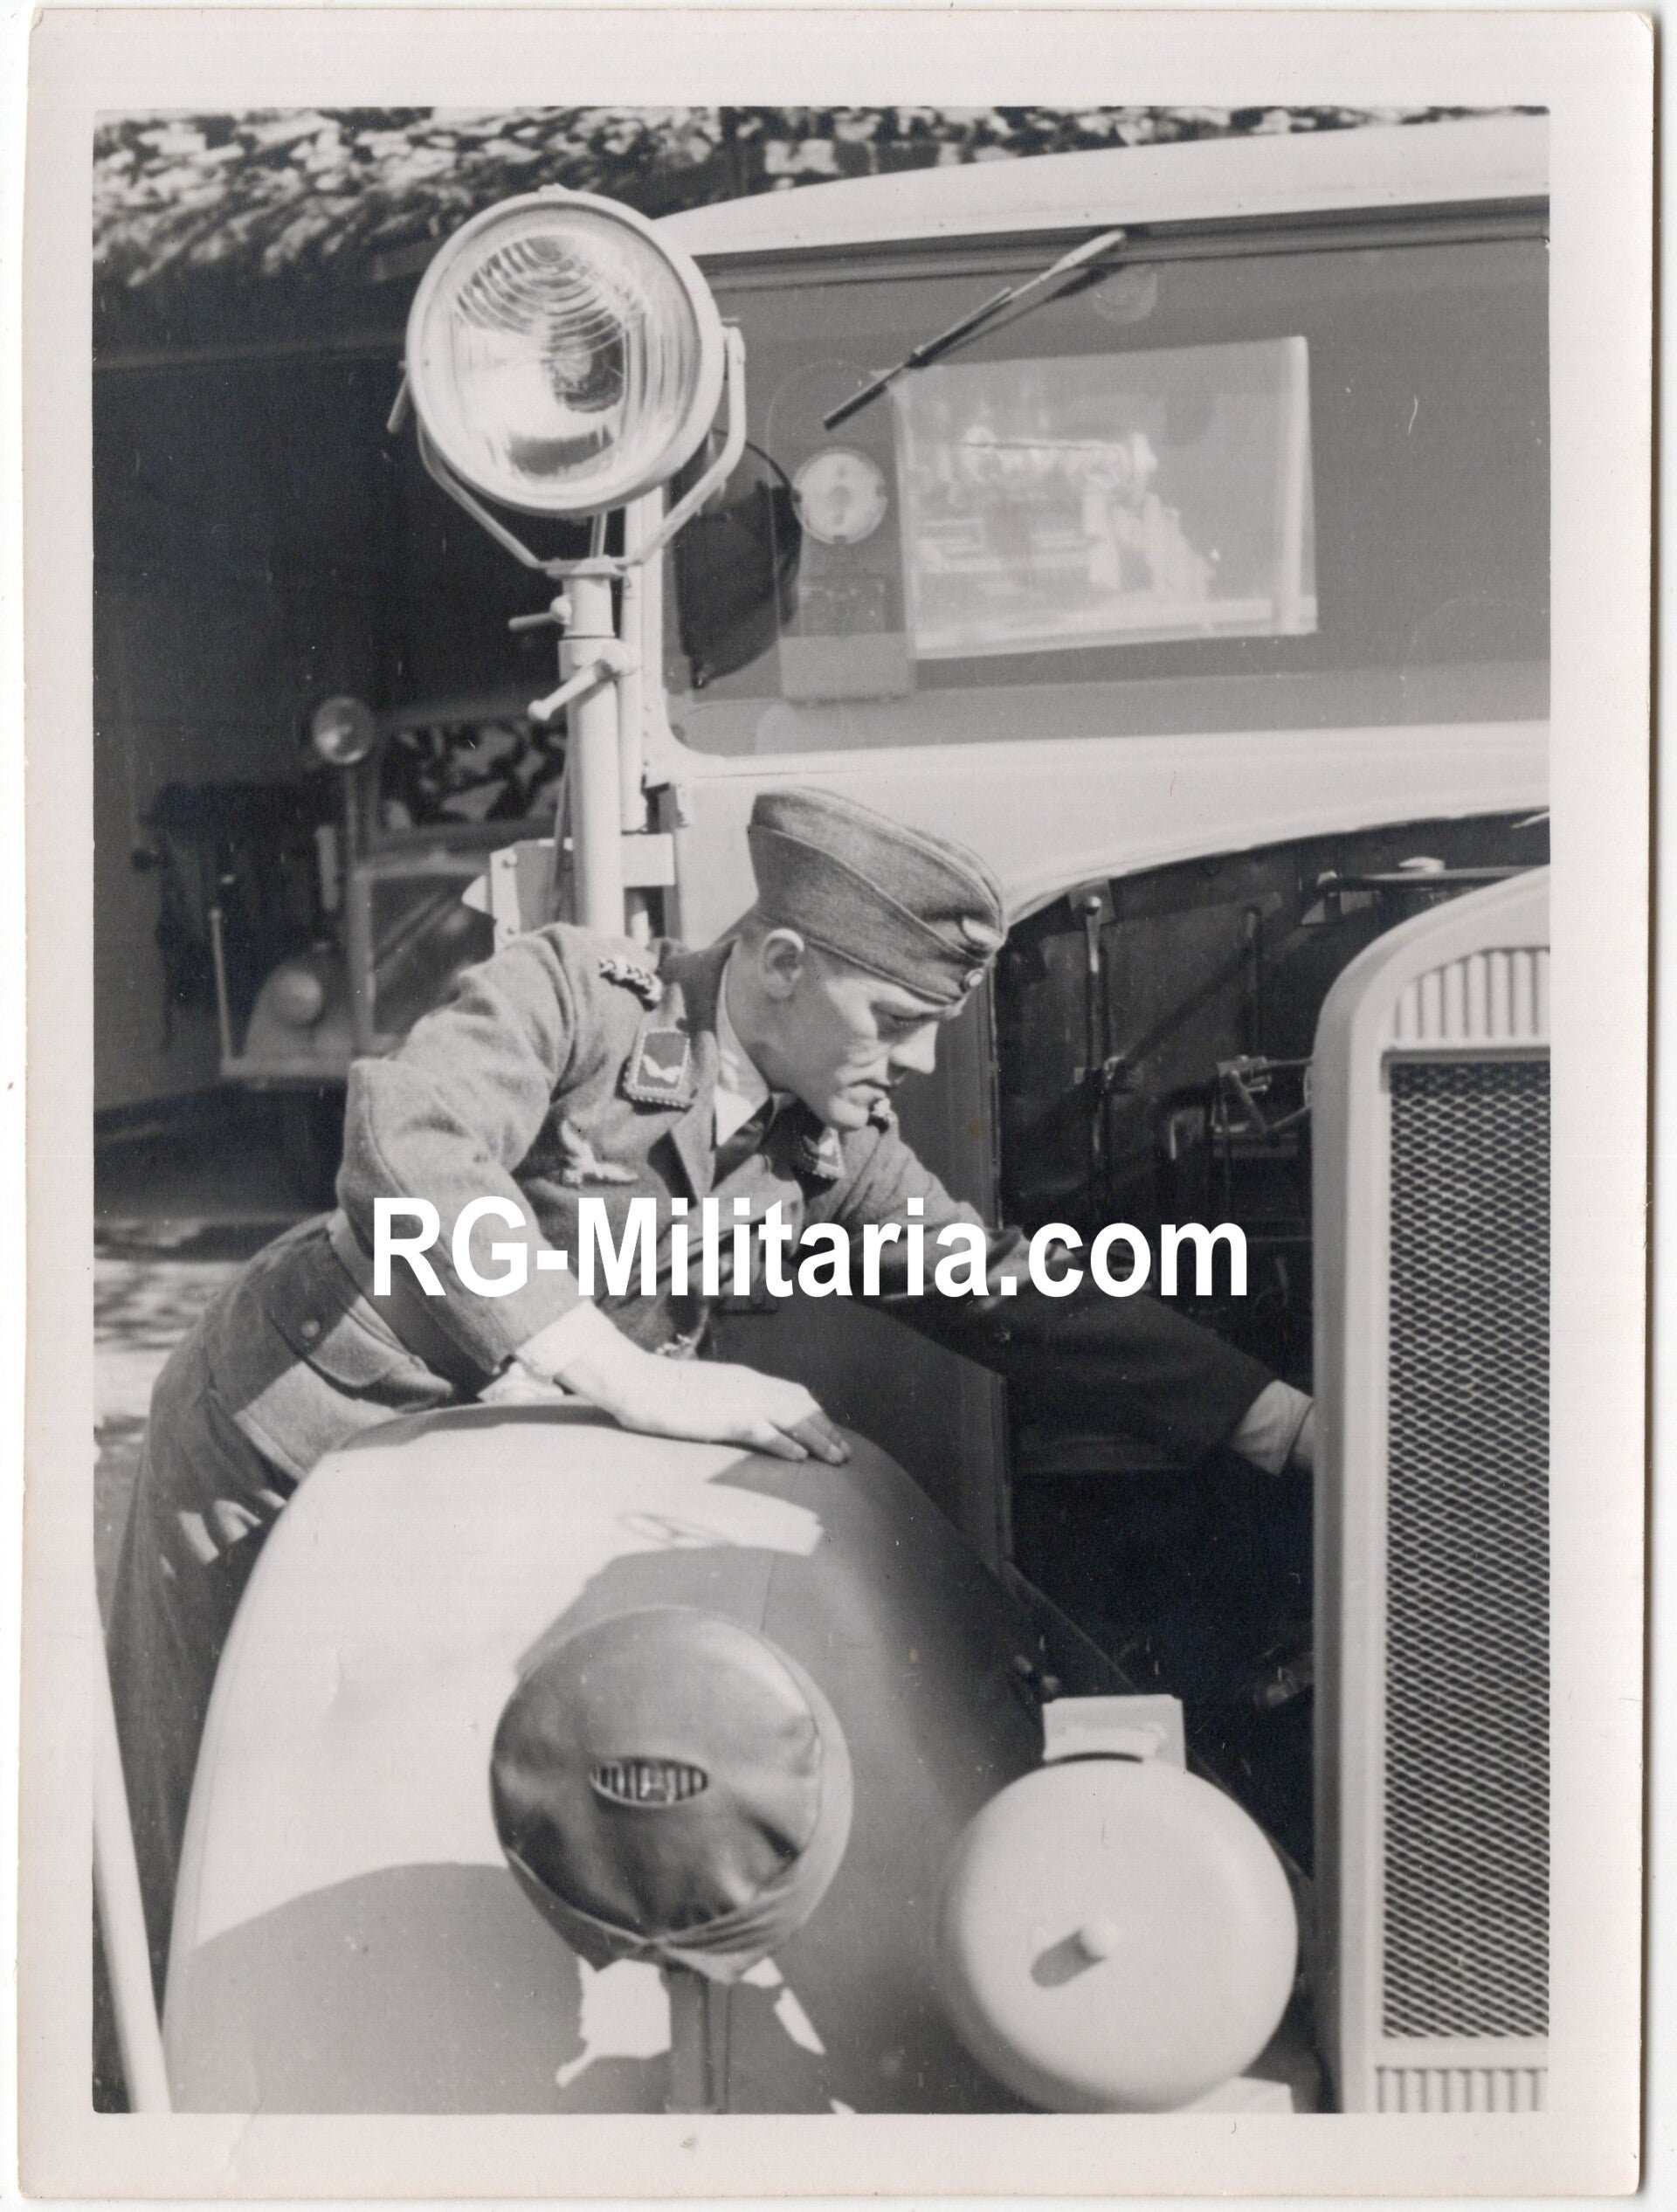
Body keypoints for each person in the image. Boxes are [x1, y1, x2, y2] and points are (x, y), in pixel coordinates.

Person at [108, 785, 1312, 1994]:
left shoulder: (820, 1149)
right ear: (782, 960)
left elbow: (1005, 1287)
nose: (921, 1056)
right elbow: (409, 1137)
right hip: (290, 1430)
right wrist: (617, 1368)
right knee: (208, 1812)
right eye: (894, 1016)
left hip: (471, 1484)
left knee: (399, 1810)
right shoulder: (581, 994)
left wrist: (1285, 1422)